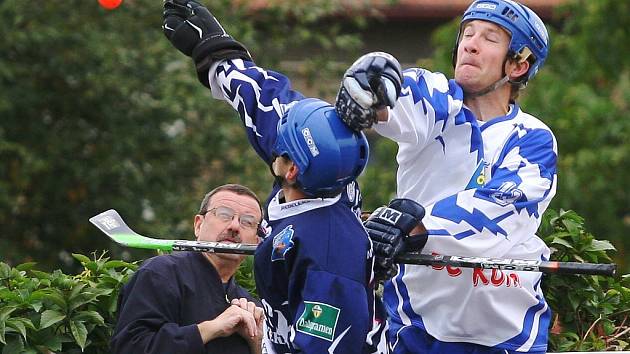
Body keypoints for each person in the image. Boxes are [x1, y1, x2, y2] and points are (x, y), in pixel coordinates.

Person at [160, 2, 428, 353]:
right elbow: (265, 104)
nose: (274, 143)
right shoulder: (319, 175)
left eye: (281, 147)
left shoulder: (329, 256)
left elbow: (325, 346)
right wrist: (216, 50)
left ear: (291, 169)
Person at [336, 0, 557, 353]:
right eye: (467, 34)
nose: (470, 43)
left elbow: (498, 215)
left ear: (518, 64)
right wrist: (370, 89)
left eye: (490, 38)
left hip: (505, 333)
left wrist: (417, 227)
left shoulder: (533, 138)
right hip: (416, 323)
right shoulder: (437, 98)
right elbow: (398, 100)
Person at [110, 183, 265, 354]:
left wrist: (257, 343)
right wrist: (211, 329)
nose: (234, 226)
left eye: (248, 222)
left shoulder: (250, 306)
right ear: (198, 225)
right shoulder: (160, 274)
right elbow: (131, 347)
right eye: (224, 215)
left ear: (256, 241)